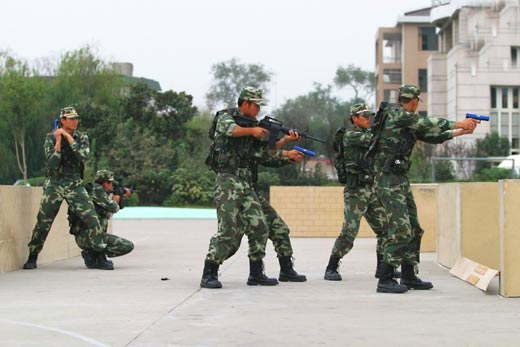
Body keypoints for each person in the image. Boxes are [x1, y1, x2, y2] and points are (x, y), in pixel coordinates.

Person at [373, 85, 478, 293]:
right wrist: (459, 122)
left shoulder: (406, 121)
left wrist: (461, 131)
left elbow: (431, 136)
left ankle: (409, 275)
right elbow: (427, 123)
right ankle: (385, 278)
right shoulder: (399, 115)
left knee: (414, 228)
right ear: (414, 101)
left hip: (399, 178)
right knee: (400, 229)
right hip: (387, 179)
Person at [201, 87, 302, 289]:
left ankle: (256, 273)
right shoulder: (226, 116)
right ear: (245, 103)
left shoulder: (253, 127)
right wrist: (253, 131)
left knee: (260, 226)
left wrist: (283, 143)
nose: (258, 109)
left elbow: (263, 154)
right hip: (228, 181)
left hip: (246, 182)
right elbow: (230, 130)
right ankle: (209, 272)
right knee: (228, 230)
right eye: (256, 105)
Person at [23, 107, 110, 270]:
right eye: (70, 118)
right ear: (62, 120)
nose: (74, 121)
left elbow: (83, 155)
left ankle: (100, 255)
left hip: (74, 184)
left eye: (76, 118)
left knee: (93, 218)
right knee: (43, 222)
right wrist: (58, 140)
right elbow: (53, 163)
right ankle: (32, 256)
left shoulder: (81, 137)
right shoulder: (50, 138)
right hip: (54, 184)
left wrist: (68, 137)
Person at [324, 103, 388, 281]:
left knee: (385, 230)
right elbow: (376, 141)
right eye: (364, 115)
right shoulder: (351, 136)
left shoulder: (368, 134)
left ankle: (383, 268)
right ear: (354, 118)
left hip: (371, 189)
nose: (368, 118)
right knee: (349, 232)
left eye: (370, 116)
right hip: (356, 191)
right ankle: (331, 267)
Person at [68, 170, 134, 270]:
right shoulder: (98, 190)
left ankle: (91, 255)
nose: (111, 185)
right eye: (110, 182)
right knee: (127, 245)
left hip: (83, 237)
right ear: (104, 183)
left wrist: (120, 194)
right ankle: (99, 257)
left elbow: (105, 211)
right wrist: (116, 198)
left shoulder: (90, 190)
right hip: (92, 237)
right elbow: (113, 208)